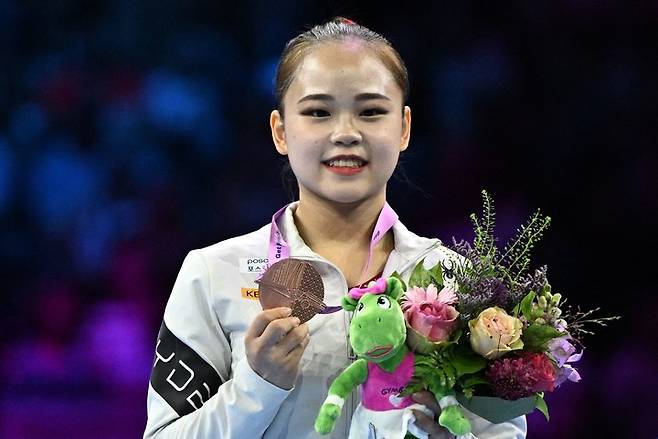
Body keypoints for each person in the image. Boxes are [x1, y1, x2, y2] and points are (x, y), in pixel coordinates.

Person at [143, 17, 527, 439]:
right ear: (281, 131)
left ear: (403, 128)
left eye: (371, 111)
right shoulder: (214, 273)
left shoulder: (460, 284)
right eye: (318, 112)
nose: (345, 133)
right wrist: (256, 387)